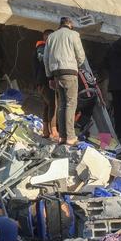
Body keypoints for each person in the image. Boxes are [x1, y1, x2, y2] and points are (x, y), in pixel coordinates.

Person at [43, 16, 86, 146]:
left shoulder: (51, 37)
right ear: (70, 24)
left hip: (56, 73)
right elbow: (80, 55)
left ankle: (62, 136)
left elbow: (46, 58)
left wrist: (50, 76)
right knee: (71, 104)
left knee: (61, 104)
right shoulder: (74, 35)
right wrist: (76, 65)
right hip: (70, 72)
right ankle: (70, 137)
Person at [34, 29, 57, 139]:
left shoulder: (43, 47)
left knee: (47, 105)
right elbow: (44, 61)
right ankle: (53, 130)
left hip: (41, 81)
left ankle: (45, 131)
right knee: (53, 104)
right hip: (44, 80)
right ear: (47, 37)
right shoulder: (42, 48)